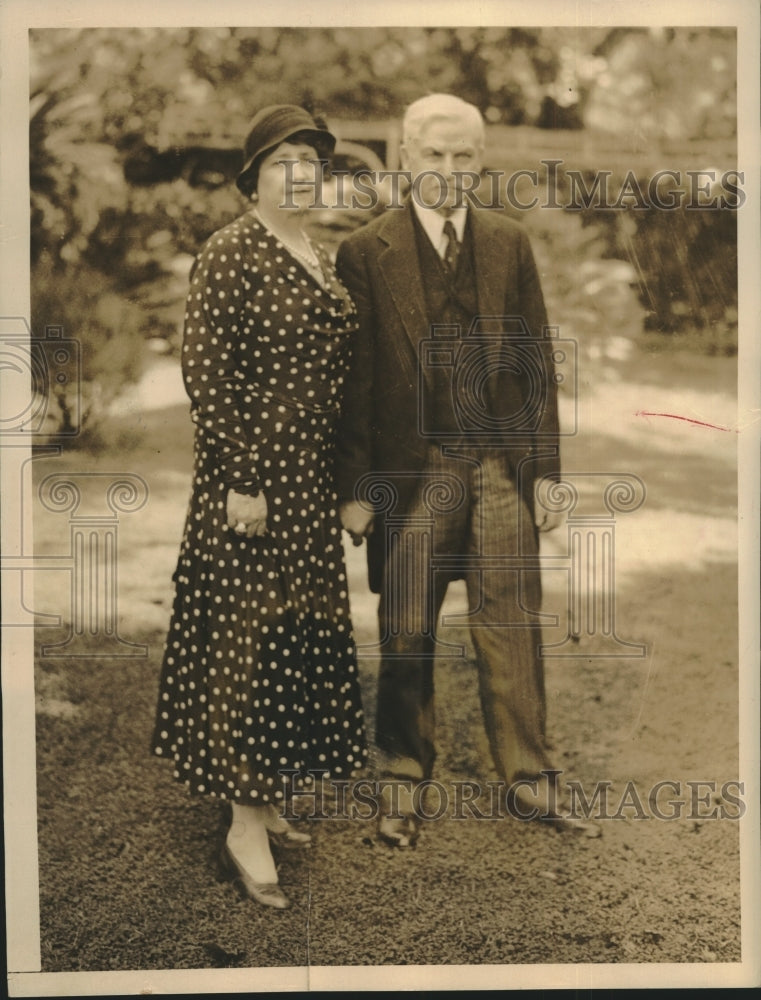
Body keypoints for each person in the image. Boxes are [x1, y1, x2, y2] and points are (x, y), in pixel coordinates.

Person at [335, 93, 598, 845]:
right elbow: (352, 383)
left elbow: (534, 367)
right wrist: (354, 490)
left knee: (509, 627)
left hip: (499, 469)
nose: (446, 170)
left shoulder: (507, 243)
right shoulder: (366, 251)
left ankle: (528, 779)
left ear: (479, 162)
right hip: (411, 474)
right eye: (432, 155)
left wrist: (544, 474)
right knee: (407, 630)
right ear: (405, 156)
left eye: (462, 156)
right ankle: (402, 781)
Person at [152, 105, 368, 908]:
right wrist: (243, 477)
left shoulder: (318, 253)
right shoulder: (230, 252)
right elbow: (206, 373)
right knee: (251, 644)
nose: (300, 175)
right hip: (252, 487)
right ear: (253, 178)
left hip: (308, 485)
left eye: (312, 161)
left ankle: (267, 795)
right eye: (283, 162)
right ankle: (242, 820)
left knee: (293, 640)